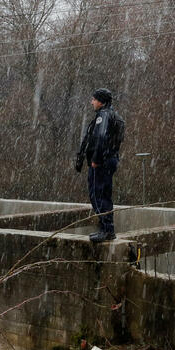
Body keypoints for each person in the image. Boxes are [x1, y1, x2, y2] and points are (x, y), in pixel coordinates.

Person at [75, 88, 125, 243]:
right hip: (111, 159)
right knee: (105, 194)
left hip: (101, 161)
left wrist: (95, 159)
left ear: (101, 101)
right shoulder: (116, 117)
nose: (92, 102)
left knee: (97, 194)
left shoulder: (103, 115)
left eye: (94, 99)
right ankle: (107, 228)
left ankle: (106, 229)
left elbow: (100, 137)